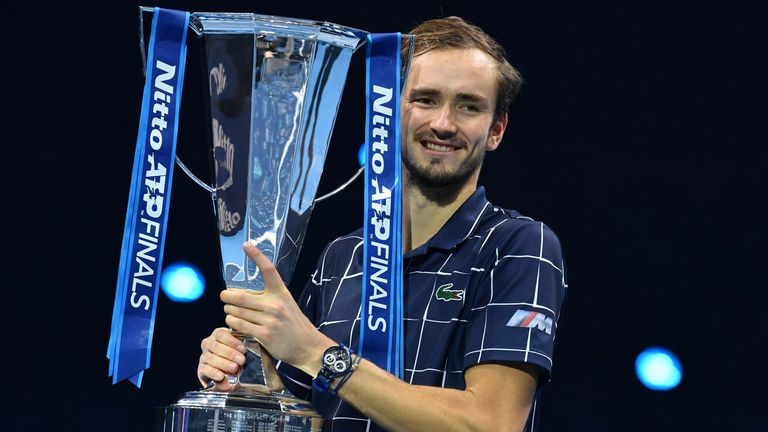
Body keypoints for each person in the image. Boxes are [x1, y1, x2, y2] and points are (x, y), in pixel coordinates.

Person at [197, 16, 567, 432]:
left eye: (469, 106)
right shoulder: (343, 256)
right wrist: (250, 376)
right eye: (425, 99)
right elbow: (302, 414)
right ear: (388, 110)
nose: (444, 123)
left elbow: (491, 424)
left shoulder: (518, 246)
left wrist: (317, 353)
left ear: (496, 129)